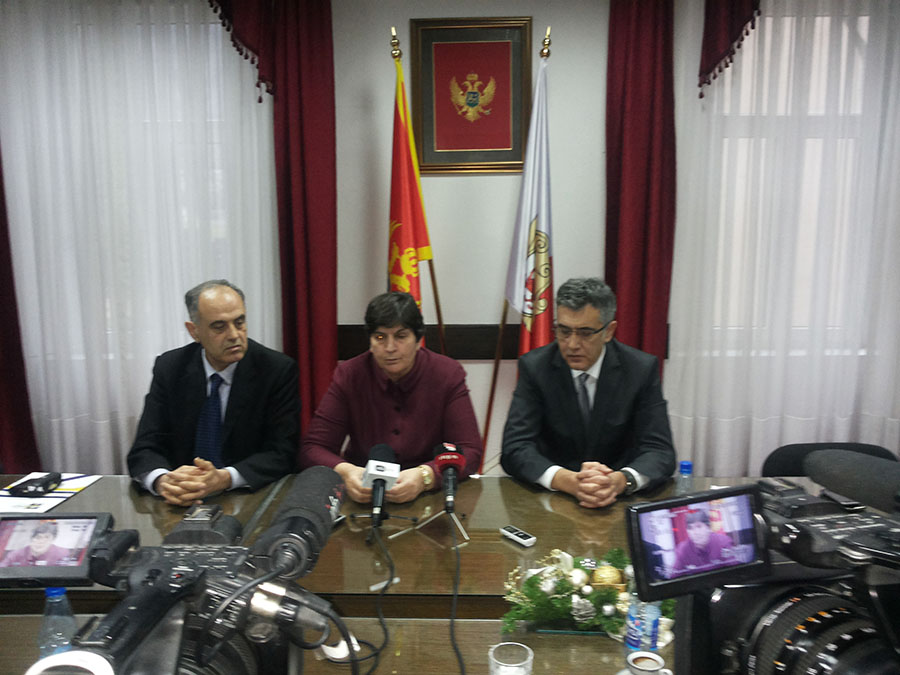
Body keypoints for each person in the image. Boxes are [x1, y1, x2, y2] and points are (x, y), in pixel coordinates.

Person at [501, 277, 675, 508]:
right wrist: (566, 480)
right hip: (554, 501)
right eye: (564, 331)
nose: (572, 344)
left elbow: (660, 450)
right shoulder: (535, 368)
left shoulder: (639, 369)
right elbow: (515, 448)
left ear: (608, 331)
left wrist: (622, 480)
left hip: (618, 500)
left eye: (585, 333)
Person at [127, 280, 300, 507]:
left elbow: (282, 453)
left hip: (247, 500)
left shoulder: (276, 370)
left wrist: (225, 478)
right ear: (194, 331)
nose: (234, 335)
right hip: (181, 501)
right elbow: (145, 446)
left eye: (239, 322)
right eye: (219, 327)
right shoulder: (170, 368)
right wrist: (163, 481)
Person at [299, 291, 483, 504]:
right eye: (380, 337)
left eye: (401, 336)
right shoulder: (350, 375)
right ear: (370, 341)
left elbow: (470, 451)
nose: (390, 348)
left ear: (418, 340)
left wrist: (426, 476)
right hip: (364, 494)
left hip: (429, 498)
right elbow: (313, 448)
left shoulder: (447, 374)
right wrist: (347, 472)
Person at [0, 522, 72, 567]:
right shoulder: (15, 554)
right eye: (38, 537)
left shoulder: (62, 553)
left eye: (47, 538)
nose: (41, 541)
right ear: (31, 539)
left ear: (52, 540)